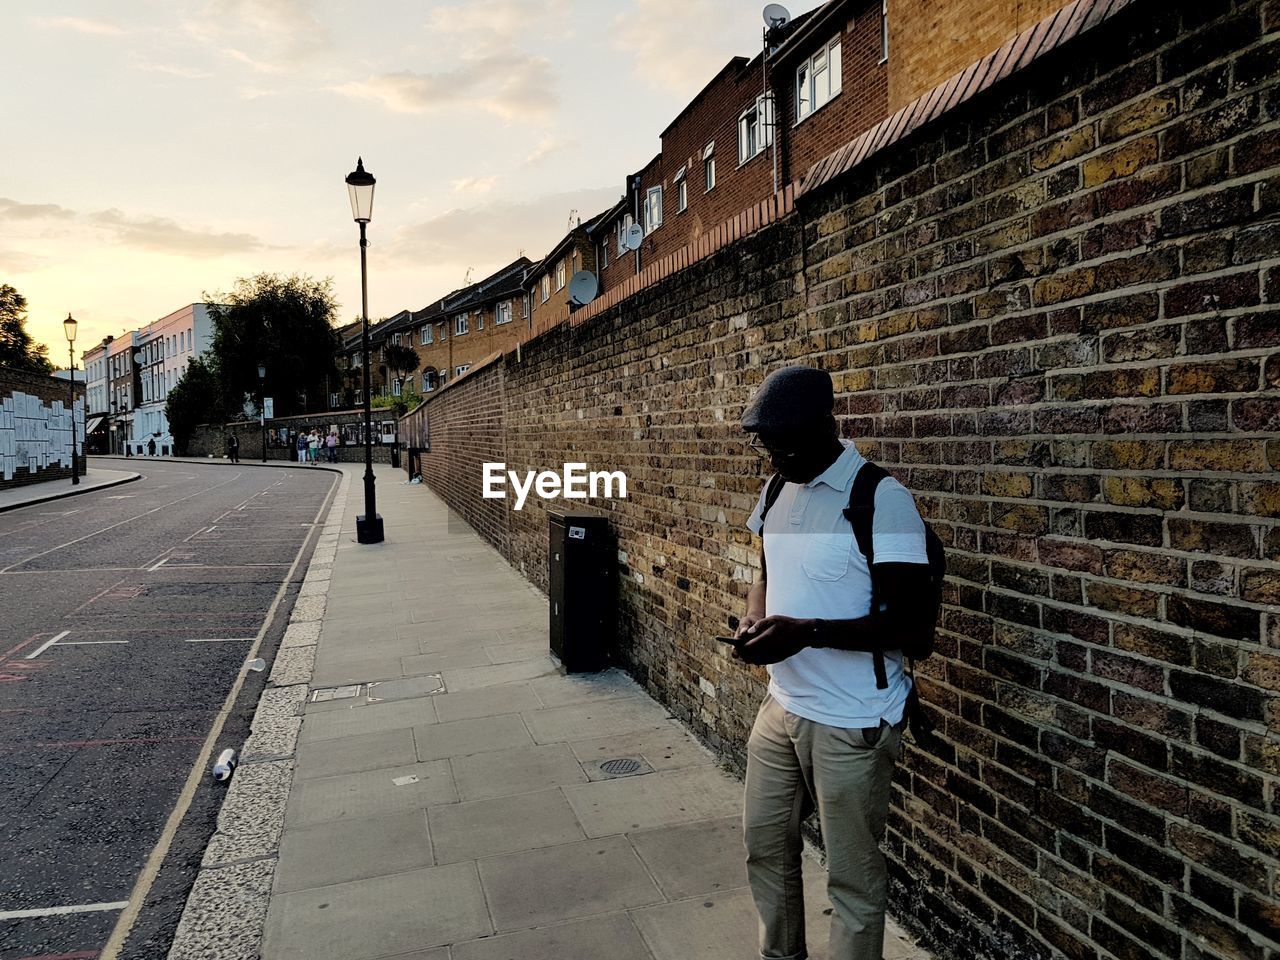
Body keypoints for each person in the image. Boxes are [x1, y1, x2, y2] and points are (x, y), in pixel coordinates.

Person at [735, 365, 933, 960]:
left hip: (853, 720)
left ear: (827, 425)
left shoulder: (880, 497)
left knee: (851, 878)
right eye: (766, 447)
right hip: (782, 706)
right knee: (765, 849)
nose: (774, 460)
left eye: (784, 446)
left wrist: (807, 633)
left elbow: (910, 628)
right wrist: (754, 620)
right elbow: (766, 576)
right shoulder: (775, 490)